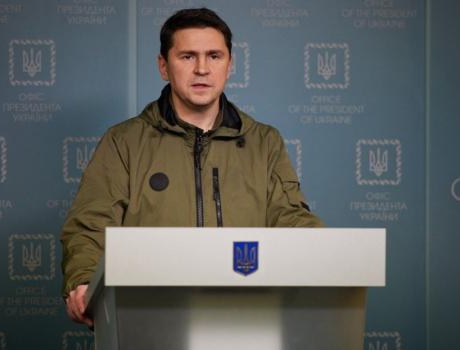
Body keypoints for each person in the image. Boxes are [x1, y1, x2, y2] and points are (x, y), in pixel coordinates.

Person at [61, 7, 324, 326]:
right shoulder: (124, 141)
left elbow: (291, 218)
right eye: (187, 56)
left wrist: (328, 258)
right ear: (163, 65)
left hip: (246, 319)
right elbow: (91, 223)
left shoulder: (264, 142)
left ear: (230, 65)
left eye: (214, 56)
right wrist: (84, 280)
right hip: (148, 319)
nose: (202, 68)